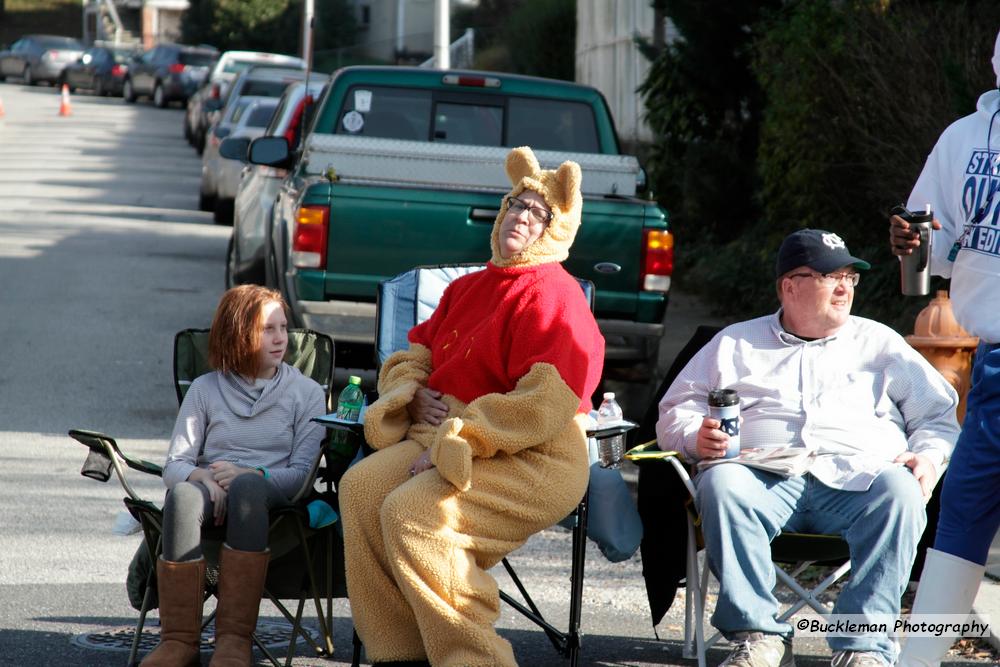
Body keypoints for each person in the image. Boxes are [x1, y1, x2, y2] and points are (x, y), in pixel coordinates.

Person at [338, 146, 605, 667]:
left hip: (533, 455)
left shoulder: (556, 295)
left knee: (415, 513)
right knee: (361, 488)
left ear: (556, 230)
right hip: (442, 436)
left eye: (537, 212)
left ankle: (473, 659)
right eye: (515, 205)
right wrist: (410, 395)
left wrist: (458, 437)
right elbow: (412, 356)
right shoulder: (466, 288)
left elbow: (543, 405)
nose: (521, 216)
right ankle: (402, 654)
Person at [657, 229, 960, 667]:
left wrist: (929, 458)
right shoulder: (734, 343)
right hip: (761, 480)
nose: (844, 287)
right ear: (789, 285)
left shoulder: (880, 344)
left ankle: (864, 647)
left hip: (858, 483)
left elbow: (936, 418)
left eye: (849, 278)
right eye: (829, 276)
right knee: (721, 481)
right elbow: (675, 411)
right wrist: (693, 435)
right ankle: (758, 637)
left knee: (902, 492)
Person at [142, 285, 326, 667]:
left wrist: (248, 474)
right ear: (238, 333)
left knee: (246, 487)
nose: (280, 339)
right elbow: (174, 464)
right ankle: (178, 641)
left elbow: (300, 477)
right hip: (212, 493)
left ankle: (233, 641)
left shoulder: (306, 394)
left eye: (282, 327)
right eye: (267, 329)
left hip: (267, 497)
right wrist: (203, 479)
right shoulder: (205, 389)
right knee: (182, 495)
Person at [891, 29, 1000, 667]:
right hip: (989, 361)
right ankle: (918, 661)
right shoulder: (963, 137)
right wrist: (914, 244)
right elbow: (933, 244)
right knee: (959, 520)